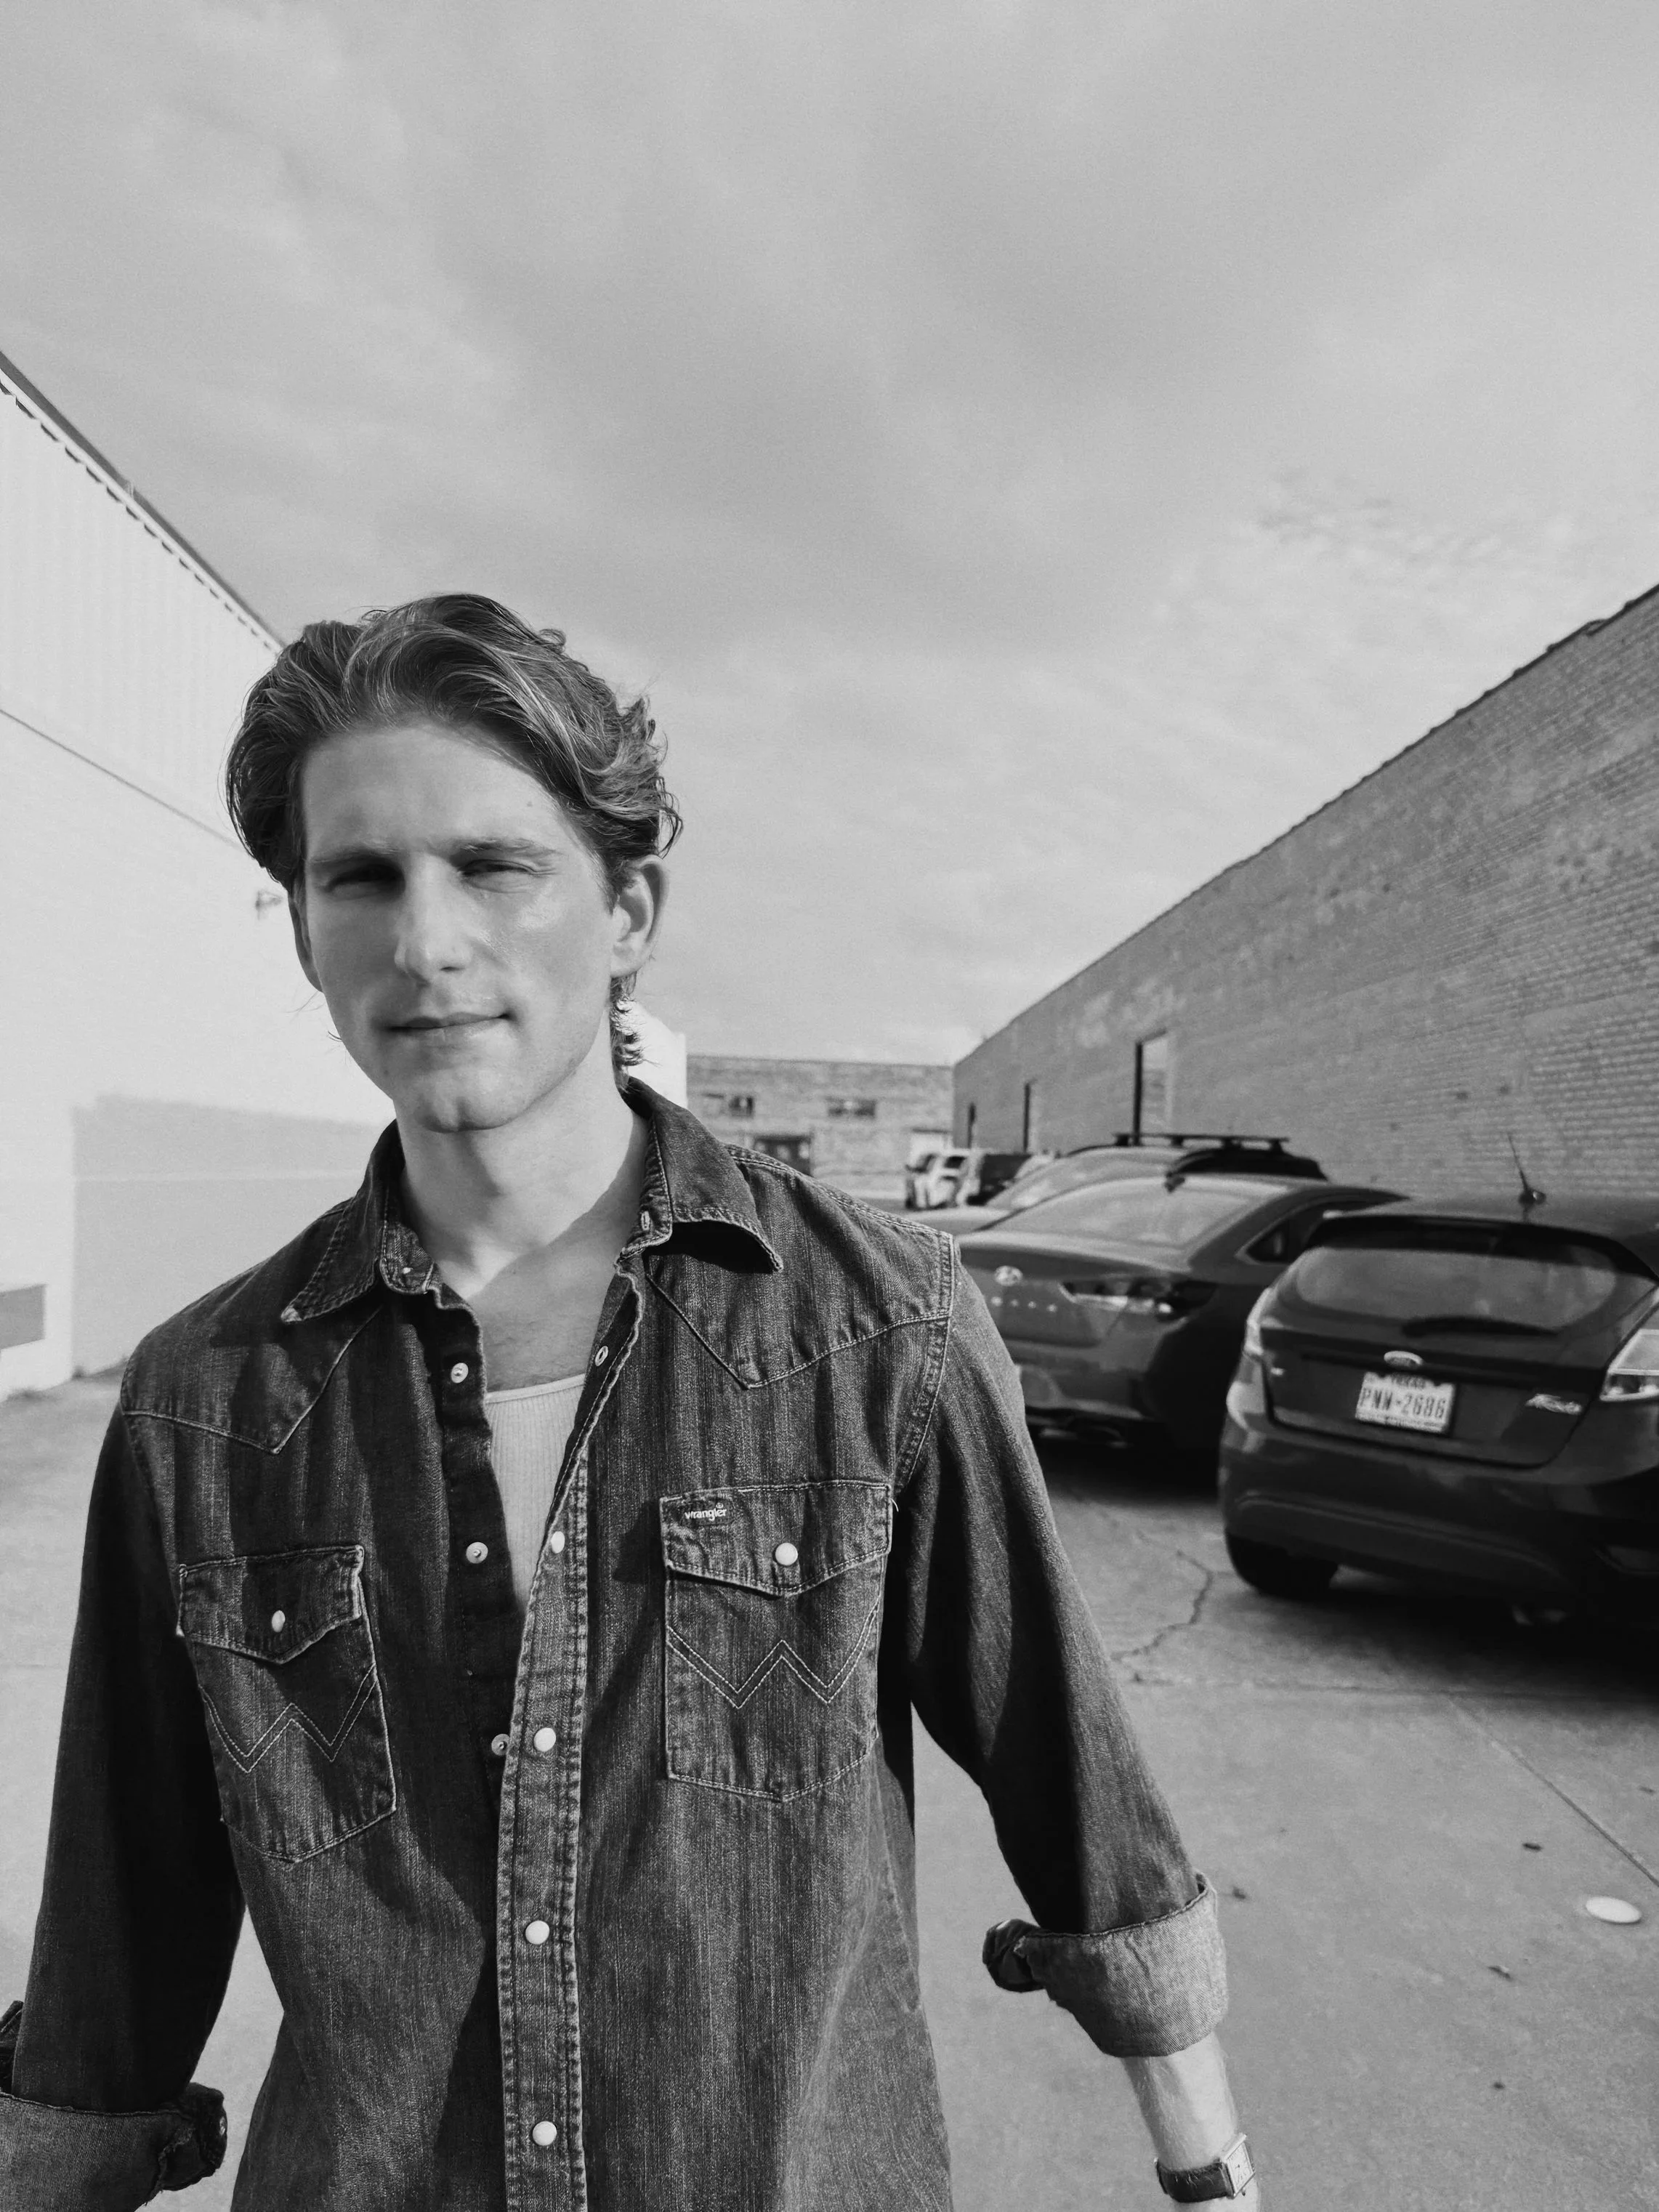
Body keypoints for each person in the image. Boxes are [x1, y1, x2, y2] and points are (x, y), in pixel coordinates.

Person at [0, 594, 1258, 2210]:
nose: (425, 939)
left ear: (628, 908)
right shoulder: (208, 1405)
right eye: (359, 876)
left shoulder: (877, 1327)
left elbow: (1067, 1771)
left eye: (493, 865)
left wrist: (1209, 2165)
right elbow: (126, 1901)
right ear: (305, 926)